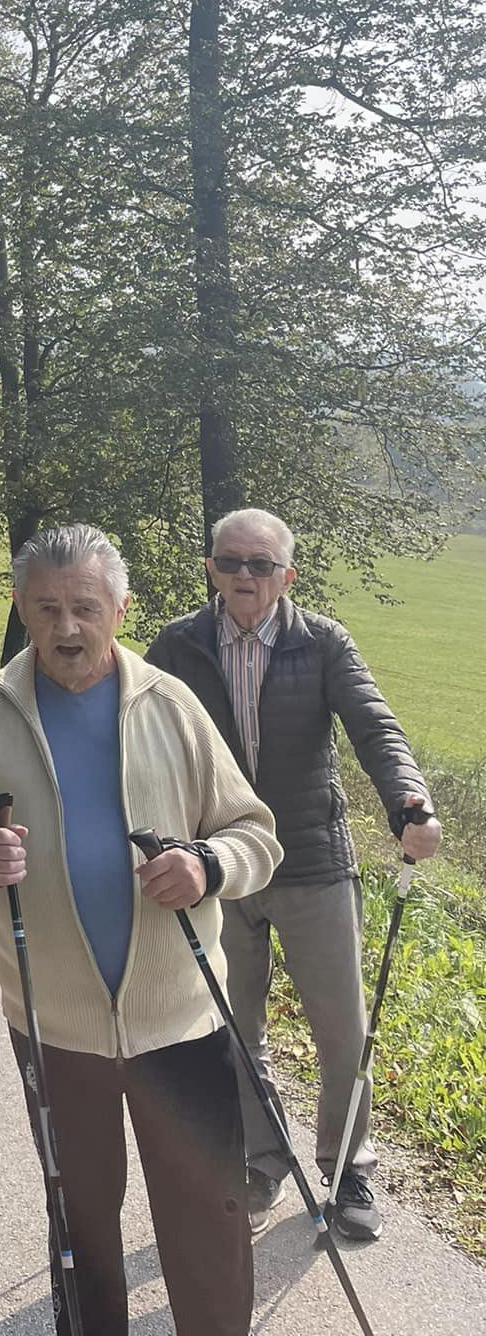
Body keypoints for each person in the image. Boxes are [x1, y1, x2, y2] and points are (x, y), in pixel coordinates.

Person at [0, 523, 281, 1336]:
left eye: (85, 607)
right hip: (55, 1025)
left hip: (179, 1019)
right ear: (21, 606)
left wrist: (206, 867)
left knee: (208, 1216)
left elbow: (256, 834)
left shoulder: (171, 707)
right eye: (47, 608)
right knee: (81, 1222)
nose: (67, 628)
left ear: (119, 608)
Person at [146, 506, 443, 1243]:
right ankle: (262, 1159)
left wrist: (410, 800)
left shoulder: (322, 642)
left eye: (261, 564)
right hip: (219, 865)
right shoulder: (178, 644)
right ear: (210, 566)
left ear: (288, 575)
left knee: (342, 1030)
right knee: (235, 1028)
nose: (245, 576)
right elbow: (135, 734)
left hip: (311, 861)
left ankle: (348, 1170)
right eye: (231, 561)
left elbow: (376, 726)